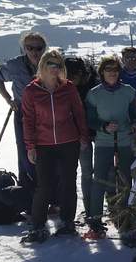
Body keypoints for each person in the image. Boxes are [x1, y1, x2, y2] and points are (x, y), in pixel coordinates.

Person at [20, 50, 90, 243]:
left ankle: (67, 221)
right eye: (52, 64)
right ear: (43, 65)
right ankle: (38, 225)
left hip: (69, 141)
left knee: (68, 182)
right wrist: (30, 146)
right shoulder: (31, 91)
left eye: (59, 65)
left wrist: (83, 136)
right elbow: (28, 120)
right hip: (43, 144)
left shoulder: (68, 88)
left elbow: (78, 113)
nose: (55, 68)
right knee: (44, 185)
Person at [85, 56, 136, 236]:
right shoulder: (94, 94)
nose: (112, 73)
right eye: (108, 70)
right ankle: (95, 220)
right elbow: (90, 120)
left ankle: (124, 215)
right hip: (103, 142)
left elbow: (133, 113)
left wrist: (135, 123)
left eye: (115, 69)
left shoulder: (128, 91)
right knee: (99, 180)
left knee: (125, 179)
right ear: (102, 72)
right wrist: (103, 126)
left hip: (124, 140)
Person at [0, 31, 46, 194]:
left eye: (38, 48)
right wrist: (8, 99)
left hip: (47, 114)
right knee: (25, 154)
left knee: (46, 154)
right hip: (23, 112)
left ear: (44, 48)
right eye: (30, 47)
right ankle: (28, 194)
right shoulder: (15, 65)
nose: (34, 52)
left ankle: (47, 195)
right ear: (24, 48)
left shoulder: (49, 63)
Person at [65, 56, 98, 221]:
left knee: (96, 171)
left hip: (96, 131)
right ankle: (89, 209)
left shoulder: (94, 83)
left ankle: (94, 208)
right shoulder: (64, 86)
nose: (71, 79)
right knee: (85, 171)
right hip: (77, 134)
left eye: (74, 75)